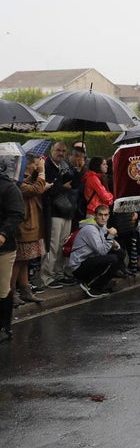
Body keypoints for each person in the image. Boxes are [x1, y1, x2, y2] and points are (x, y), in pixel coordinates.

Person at [12, 153, 47, 306]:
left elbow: (30, 183)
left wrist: (35, 173)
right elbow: (36, 189)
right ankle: (10, 293)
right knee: (18, 261)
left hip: (30, 226)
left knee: (25, 260)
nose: (36, 166)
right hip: (24, 227)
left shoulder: (19, 180)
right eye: (34, 164)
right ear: (27, 164)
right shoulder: (15, 182)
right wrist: (41, 172)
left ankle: (25, 291)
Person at [41, 140, 77, 288]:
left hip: (66, 211)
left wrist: (78, 171)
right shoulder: (46, 166)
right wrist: (62, 186)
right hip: (53, 211)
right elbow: (46, 191)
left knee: (63, 245)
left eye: (63, 151)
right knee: (53, 245)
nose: (61, 153)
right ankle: (47, 278)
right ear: (51, 151)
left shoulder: (66, 166)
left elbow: (76, 185)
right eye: (58, 150)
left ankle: (58, 273)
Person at [0, 144, 25, 342]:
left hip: (3, 248)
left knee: (2, 289)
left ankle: (4, 326)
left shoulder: (9, 188)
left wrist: (2, 233)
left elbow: (17, 214)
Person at [68, 205, 120, 298]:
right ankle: (91, 285)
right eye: (100, 215)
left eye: (105, 215)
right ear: (95, 215)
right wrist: (110, 237)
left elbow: (115, 247)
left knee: (120, 253)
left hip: (89, 260)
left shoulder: (102, 227)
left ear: (108, 216)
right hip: (78, 266)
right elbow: (102, 251)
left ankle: (100, 284)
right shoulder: (90, 229)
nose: (103, 218)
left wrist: (114, 243)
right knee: (112, 259)